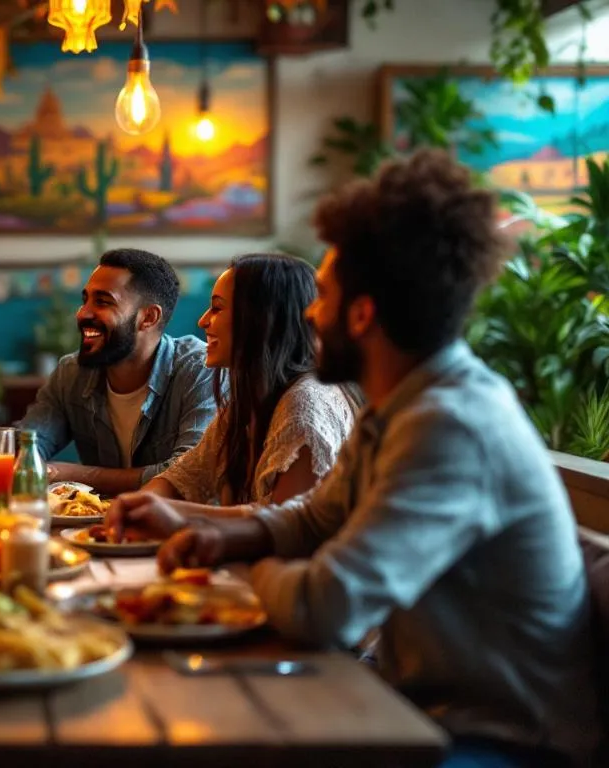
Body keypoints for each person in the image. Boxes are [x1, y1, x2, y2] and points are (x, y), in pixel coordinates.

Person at [110, 151, 599, 768]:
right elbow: (314, 517)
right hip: (420, 709)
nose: (310, 314)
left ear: (362, 315)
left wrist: (233, 560)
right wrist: (211, 535)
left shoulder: (451, 426)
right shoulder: (402, 405)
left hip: (502, 741)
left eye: (325, 297)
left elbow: (327, 607)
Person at [144, 253, 359, 506]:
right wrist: (137, 505)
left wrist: (164, 513)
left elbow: (280, 524)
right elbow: (183, 477)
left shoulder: (304, 405)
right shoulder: (248, 402)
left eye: (217, 308)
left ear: (263, 318)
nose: (202, 321)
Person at [17, 248, 218, 495]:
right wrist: (25, 461)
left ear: (148, 317)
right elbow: (27, 445)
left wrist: (72, 474)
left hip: (179, 519)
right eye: (85, 300)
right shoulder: (71, 373)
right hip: (93, 520)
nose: (82, 313)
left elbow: (190, 474)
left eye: (103, 302)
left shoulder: (201, 369)